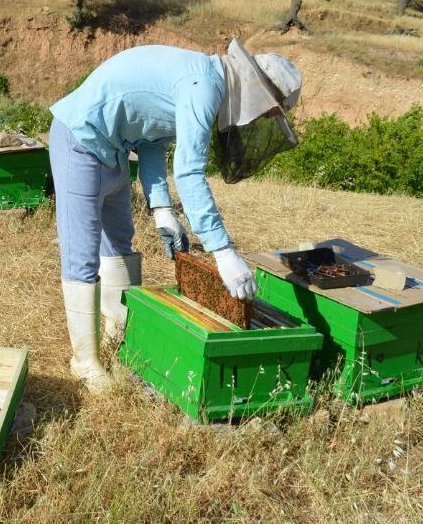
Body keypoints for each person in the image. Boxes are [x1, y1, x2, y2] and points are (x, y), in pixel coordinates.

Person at [48, 39, 302, 390]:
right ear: (257, 91)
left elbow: (152, 138)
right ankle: (84, 360)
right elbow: (190, 173)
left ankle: (117, 335)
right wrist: (223, 253)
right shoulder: (204, 87)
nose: (261, 118)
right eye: (269, 111)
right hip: (82, 138)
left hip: (116, 150)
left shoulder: (207, 82)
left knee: (119, 244)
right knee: (83, 253)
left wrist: (162, 209)